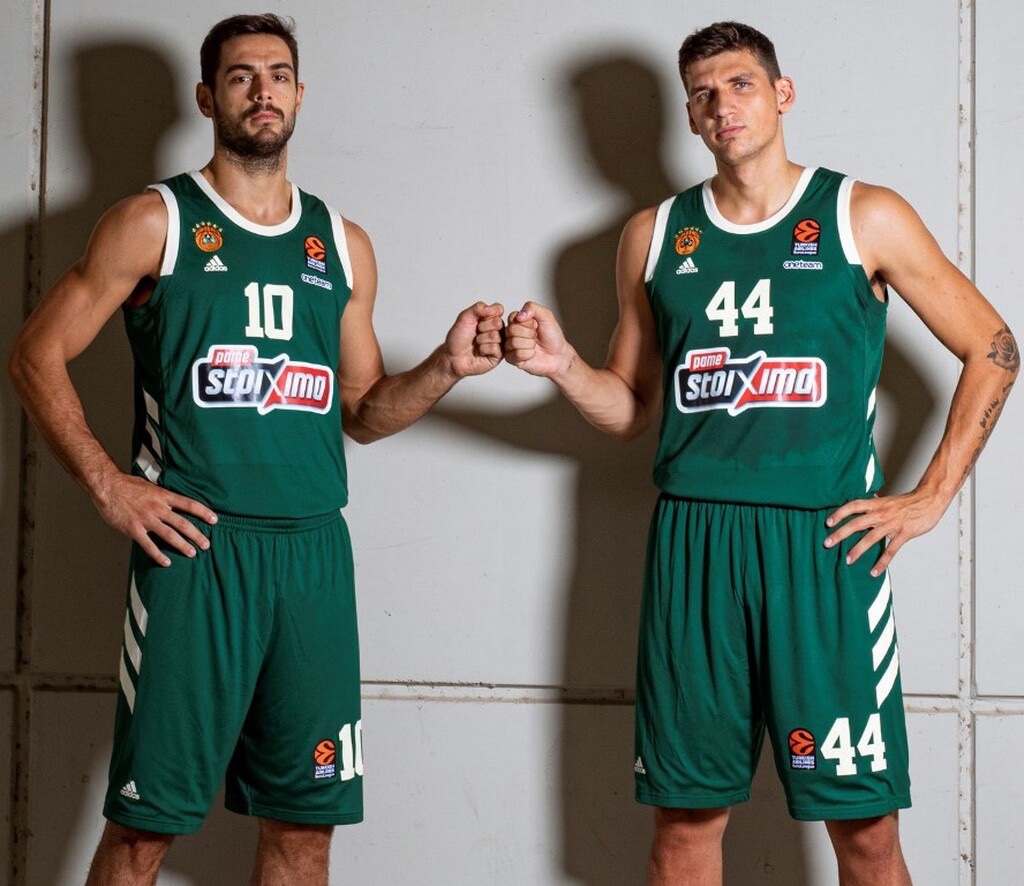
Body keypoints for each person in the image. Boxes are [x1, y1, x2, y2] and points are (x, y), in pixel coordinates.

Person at [504, 20, 1018, 886]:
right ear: (689, 116)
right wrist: (563, 368)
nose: (722, 105)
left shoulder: (862, 215)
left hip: (822, 546)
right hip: (694, 546)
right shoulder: (653, 235)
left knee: (865, 832)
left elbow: (993, 348)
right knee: (684, 824)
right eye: (702, 94)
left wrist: (929, 496)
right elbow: (632, 409)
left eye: (740, 84)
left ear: (782, 95)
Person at [8, 13, 504, 885]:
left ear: (300, 96)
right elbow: (34, 354)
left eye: (278, 75)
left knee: (305, 830)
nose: (262, 90)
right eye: (241, 76)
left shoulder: (342, 245)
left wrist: (446, 368)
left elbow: (362, 410)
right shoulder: (153, 222)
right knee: (145, 829)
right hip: (199, 553)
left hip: (312, 559)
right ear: (208, 98)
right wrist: (108, 484)